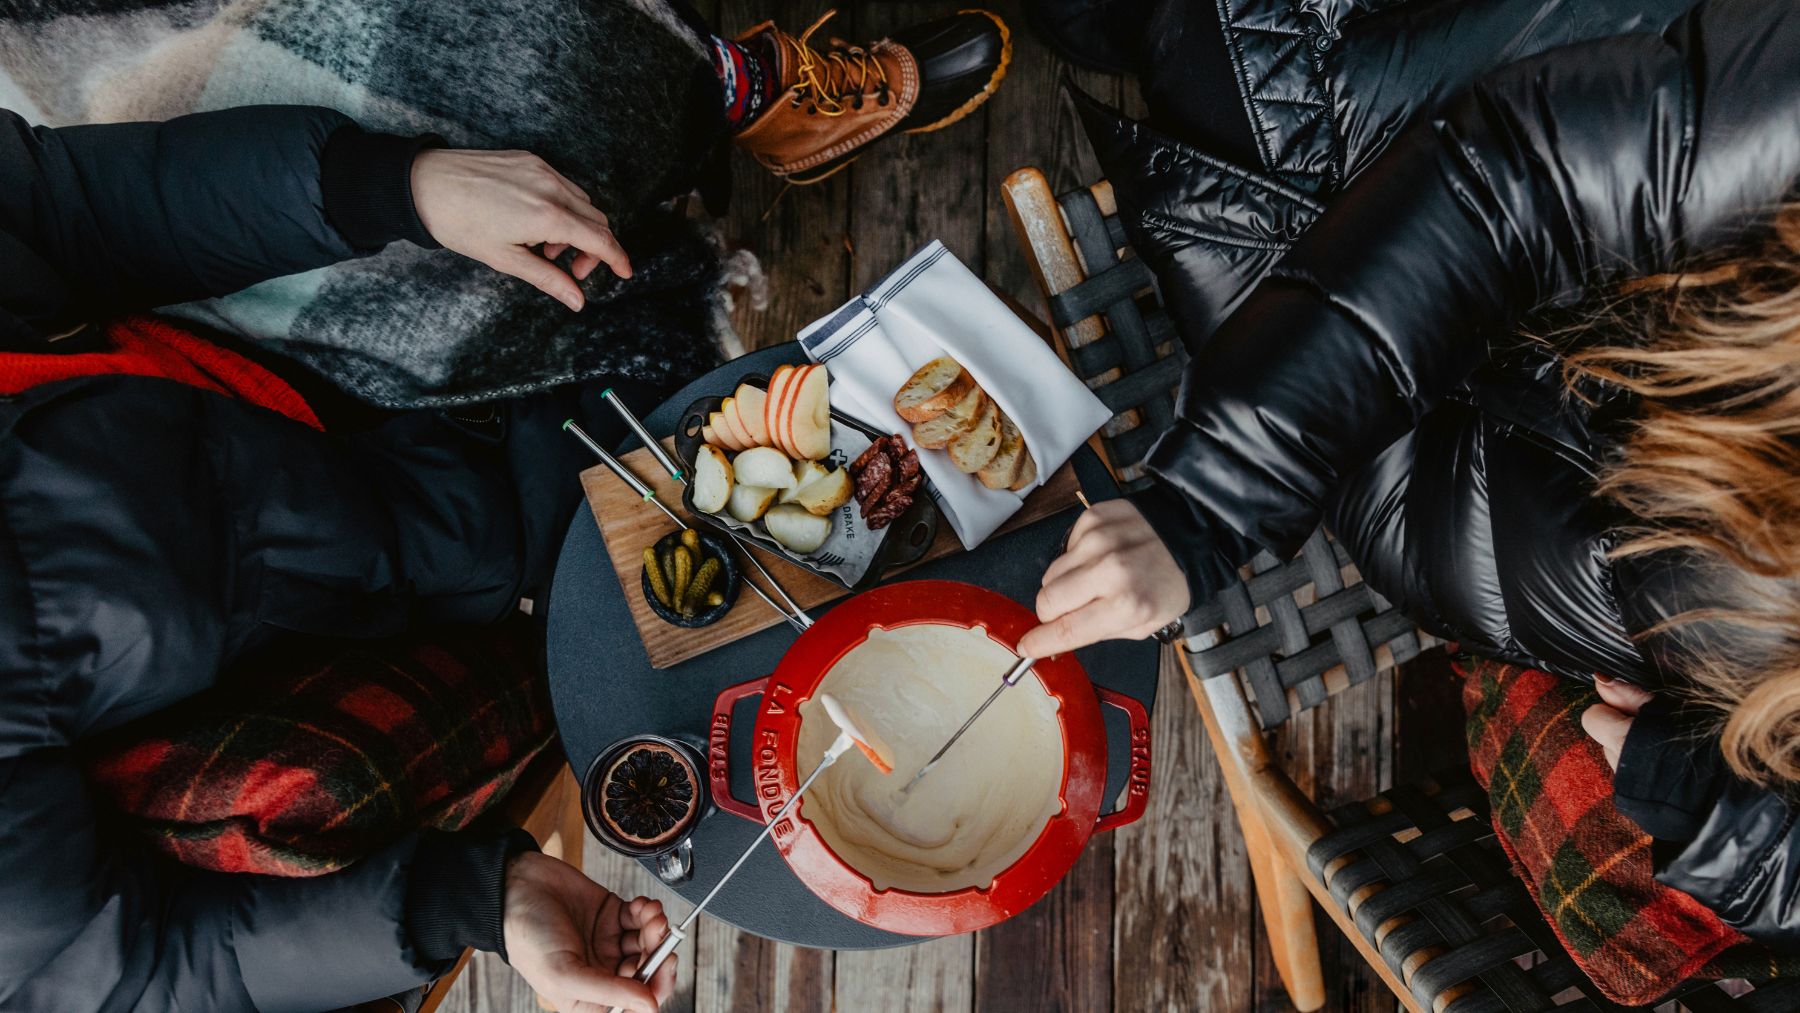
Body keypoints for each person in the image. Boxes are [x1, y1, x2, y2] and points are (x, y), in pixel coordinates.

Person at [0, 6, 1012, 1012]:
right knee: (748, 556)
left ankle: (742, 95)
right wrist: (484, 895)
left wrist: (398, 186)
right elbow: (140, 970)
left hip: (236, 339)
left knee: (558, 65)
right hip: (375, 564)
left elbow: (56, 207)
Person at [1019, 0, 1800, 947]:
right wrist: (1214, 500)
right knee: (1249, 86)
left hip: (1458, 513)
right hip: (1530, 171)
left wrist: (1742, 832)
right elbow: (1520, 179)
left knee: (1221, 117)